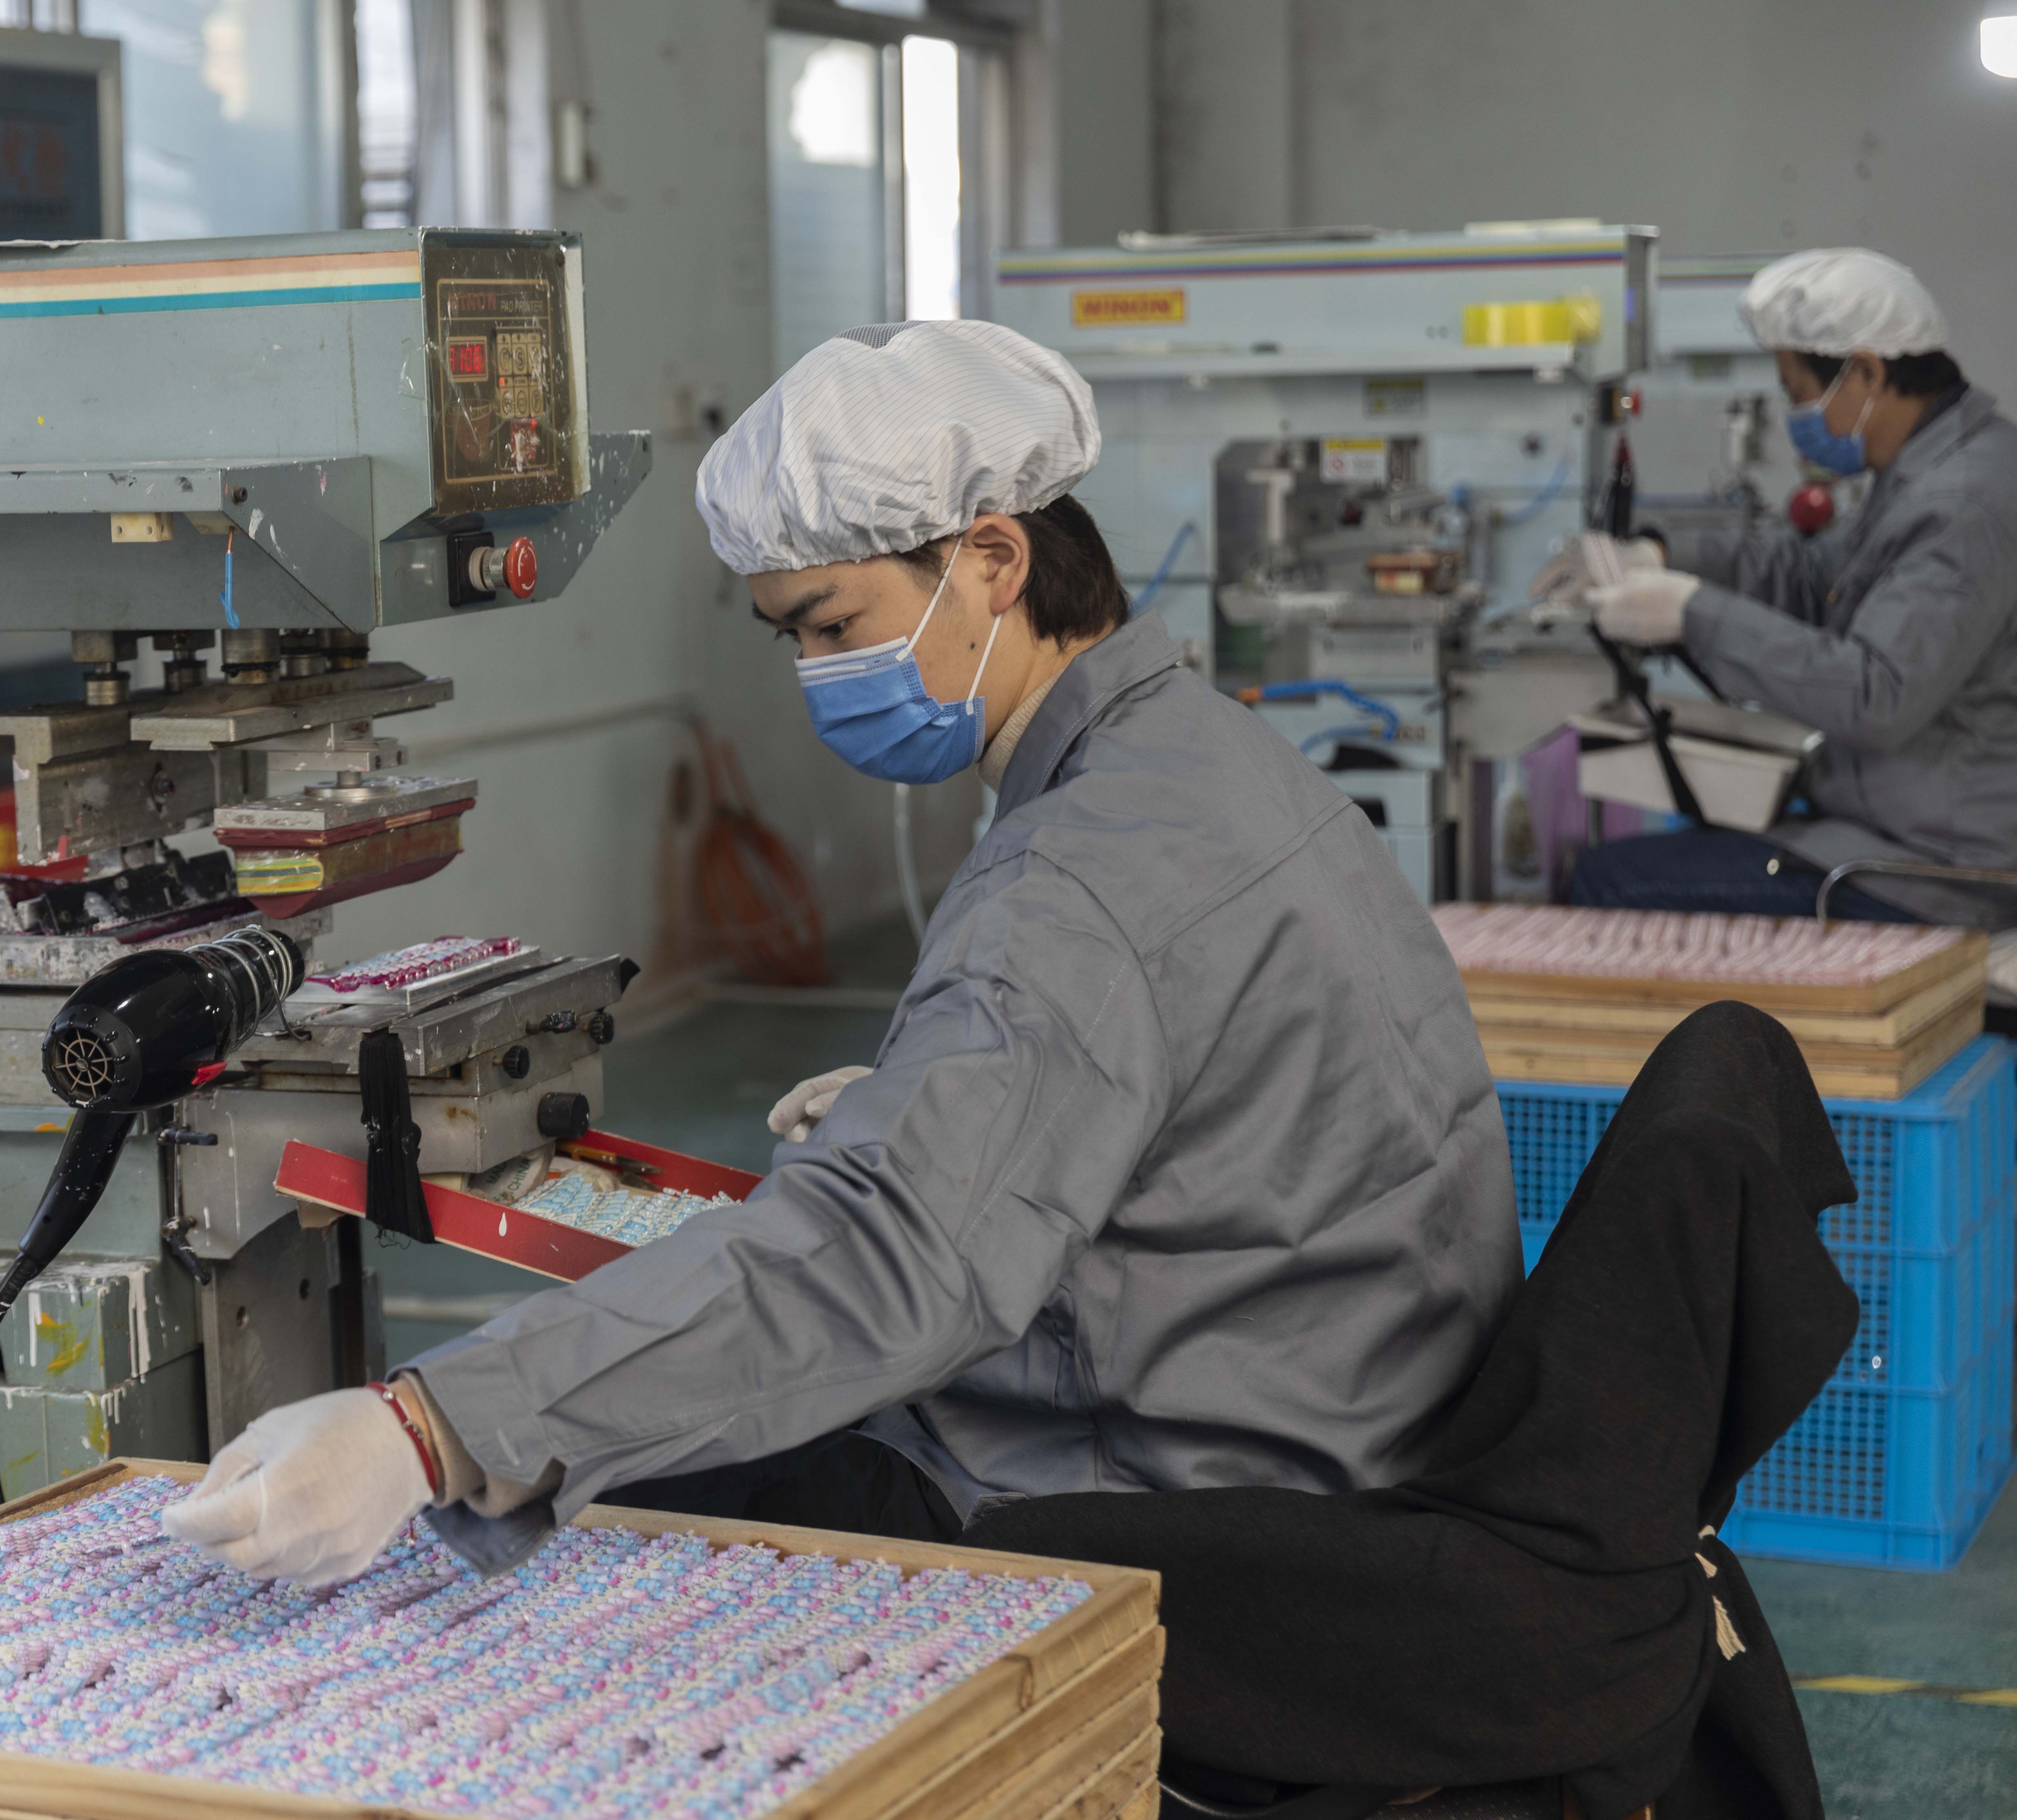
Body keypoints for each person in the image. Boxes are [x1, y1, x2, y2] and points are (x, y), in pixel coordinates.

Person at [160, 318, 1522, 1586]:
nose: (816, 674)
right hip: (1346, 1415)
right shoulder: (1205, 760)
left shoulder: (1071, 884)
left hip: (1171, 1493)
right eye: (793, 640)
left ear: (994, 562)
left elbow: (889, 1262)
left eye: (832, 627)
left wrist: (430, 1430)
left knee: (617, 1505)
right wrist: (949, 1100)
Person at [1566, 247, 2017, 925]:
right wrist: (1658, 553)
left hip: (1933, 869)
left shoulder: (1963, 503)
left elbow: (1874, 695)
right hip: (1894, 825)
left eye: (1798, 392)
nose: (1796, 415)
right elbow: (1811, 575)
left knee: (1607, 881)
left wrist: (1689, 613)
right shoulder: (1932, 470)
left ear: (1866, 373)